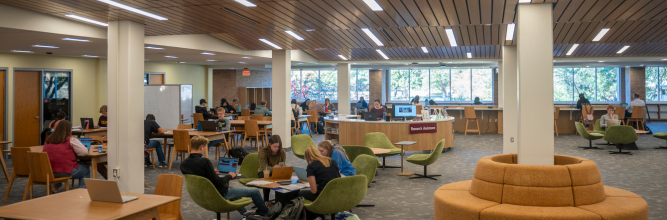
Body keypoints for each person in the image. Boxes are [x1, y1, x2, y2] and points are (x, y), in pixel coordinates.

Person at [181, 136, 278, 217]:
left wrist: (211, 172)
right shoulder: (204, 161)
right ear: (201, 147)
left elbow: (199, 176)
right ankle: (267, 213)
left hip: (202, 195)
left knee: (233, 191)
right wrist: (229, 176)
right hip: (219, 193)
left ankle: (246, 213)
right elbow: (219, 182)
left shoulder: (184, 164)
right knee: (255, 192)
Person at [43, 120, 90, 192]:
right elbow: (84, 152)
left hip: (49, 170)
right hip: (65, 171)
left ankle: (55, 190)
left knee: (57, 163)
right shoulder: (71, 139)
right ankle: (82, 192)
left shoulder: (48, 139)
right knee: (85, 170)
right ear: (69, 129)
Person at [258, 135, 287, 202]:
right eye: (275, 146)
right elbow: (264, 168)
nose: (277, 148)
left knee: (282, 178)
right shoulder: (263, 152)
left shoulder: (282, 152)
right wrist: (274, 168)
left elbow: (283, 164)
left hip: (277, 172)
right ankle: (266, 200)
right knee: (266, 177)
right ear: (270, 144)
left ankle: (279, 201)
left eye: (279, 147)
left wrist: (283, 168)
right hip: (264, 172)